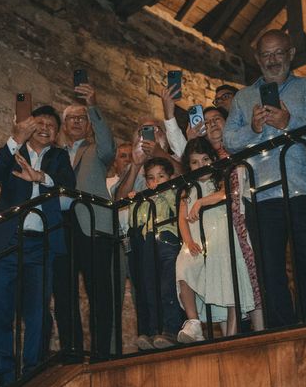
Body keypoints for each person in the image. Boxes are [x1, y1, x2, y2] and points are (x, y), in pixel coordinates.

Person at [223, 29, 306, 327]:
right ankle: (281, 330)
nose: (272, 60)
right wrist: (254, 131)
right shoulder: (243, 98)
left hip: (302, 190)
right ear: (257, 59)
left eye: (278, 53)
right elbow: (229, 140)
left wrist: (290, 123)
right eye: (266, 55)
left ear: (291, 53)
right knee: (269, 269)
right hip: (261, 195)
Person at [0, 105, 75, 387]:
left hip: (41, 245)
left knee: (38, 311)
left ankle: (32, 371)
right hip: (8, 242)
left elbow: (68, 199)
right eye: (41, 123)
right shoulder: (15, 151)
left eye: (52, 125)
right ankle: (3, 374)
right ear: (30, 126)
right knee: (0, 307)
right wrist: (15, 138)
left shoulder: (60, 158)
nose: (46, 128)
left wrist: (42, 179)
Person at [53, 82, 116, 358]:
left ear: (89, 124)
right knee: (64, 291)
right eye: (71, 119)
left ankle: (102, 351)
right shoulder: (54, 155)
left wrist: (93, 105)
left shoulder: (97, 151)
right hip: (60, 225)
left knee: (98, 290)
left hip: (91, 224)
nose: (77, 122)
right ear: (64, 125)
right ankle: (72, 349)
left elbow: (108, 144)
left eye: (82, 118)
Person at [176, 139, 255, 342]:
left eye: (205, 159)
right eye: (195, 162)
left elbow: (226, 194)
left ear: (212, 159)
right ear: (188, 165)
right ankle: (194, 323)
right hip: (197, 240)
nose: (201, 166)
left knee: (228, 282)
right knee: (183, 268)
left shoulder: (219, 179)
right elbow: (182, 219)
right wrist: (187, 241)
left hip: (220, 236)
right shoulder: (187, 188)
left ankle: (231, 335)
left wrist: (202, 202)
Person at [124, 157, 183, 349]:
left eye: (161, 176)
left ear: (170, 177)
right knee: (150, 287)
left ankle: (171, 329)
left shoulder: (175, 193)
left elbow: (176, 207)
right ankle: (153, 331)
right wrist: (135, 201)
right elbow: (135, 222)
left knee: (168, 286)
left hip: (168, 239)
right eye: (151, 178)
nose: (155, 182)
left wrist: (163, 192)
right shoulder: (145, 198)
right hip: (148, 242)